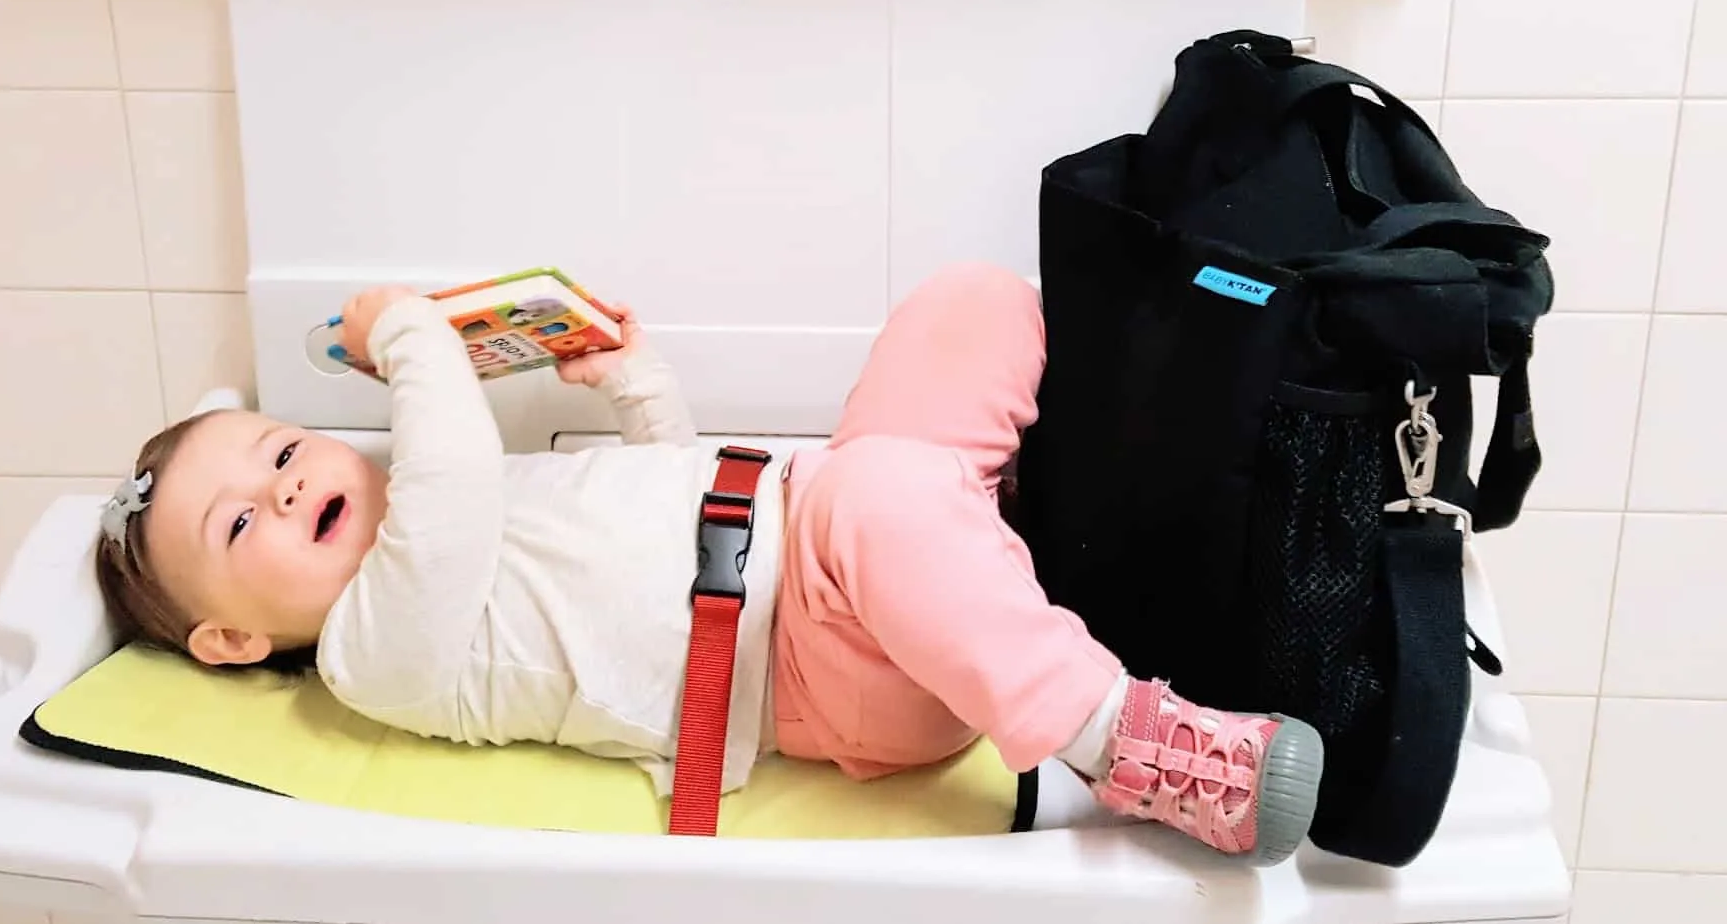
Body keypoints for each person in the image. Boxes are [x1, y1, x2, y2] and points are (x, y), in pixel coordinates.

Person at [94, 263, 1323, 863]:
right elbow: (451, 481)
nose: (286, 484)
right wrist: (408, 334)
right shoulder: (372, 653)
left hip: (806, 534)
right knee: (883, 494)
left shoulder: (452, 516)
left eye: (279, 451)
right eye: (241, 525)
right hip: (820, 668)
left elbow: (661, 507)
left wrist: (632, 391)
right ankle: (1126, 740)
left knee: (972, 303)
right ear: (233, 639)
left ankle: (1004, 543)